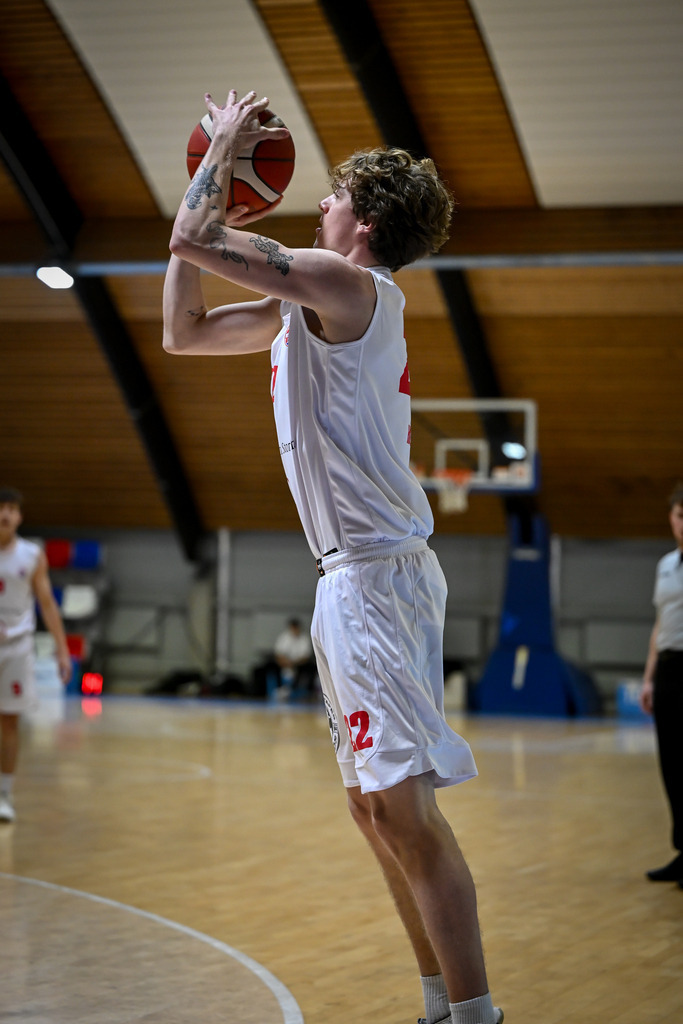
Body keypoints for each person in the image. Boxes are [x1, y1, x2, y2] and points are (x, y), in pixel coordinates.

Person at [163, 88, 502, 1024]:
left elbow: (192, 240)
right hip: (346, 581)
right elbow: (181, 331)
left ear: (368, 221)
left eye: (336, 194)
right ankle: (439, 1002)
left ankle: (473, 1017)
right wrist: (211, 205)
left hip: (377, 576)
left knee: (402, 811)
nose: (319, 202)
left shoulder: (351, 286)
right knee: (373, 811)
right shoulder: (301, 312)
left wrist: (223, 157)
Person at [0, 487, 72, 822]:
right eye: (1, 508)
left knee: (8, 720)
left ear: (20, 517)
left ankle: (3, 794)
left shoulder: (31, 554)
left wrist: (62, 650)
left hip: (16, 646)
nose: (6, 515)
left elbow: (46, 604)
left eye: (12, 509)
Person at [639, 482, 683, 887]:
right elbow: (660, 626)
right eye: (679, 515)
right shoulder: (666, 565)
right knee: (671, 764)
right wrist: (649, 678)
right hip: (669, 670)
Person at [272, 617, 315, 699]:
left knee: (310, 668)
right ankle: (280, 688)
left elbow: (306, 657)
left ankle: (297, 690)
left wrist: (293, 663)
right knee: (273, 666)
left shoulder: (304, 638)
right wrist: (285, 662)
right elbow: (278, 654)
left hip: (299, 663)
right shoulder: (284, 637)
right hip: (285, 662)